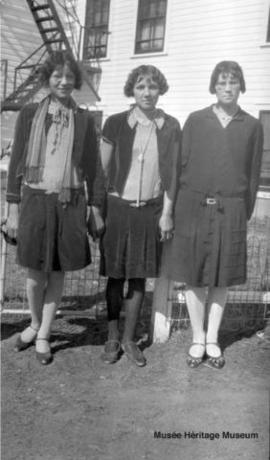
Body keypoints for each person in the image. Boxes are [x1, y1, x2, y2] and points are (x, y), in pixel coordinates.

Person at [167, 61, 263, 369]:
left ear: (240, 86)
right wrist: (174, 209)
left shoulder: (251, 125)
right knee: (196, 275)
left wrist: (242, 210)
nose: (227, 88)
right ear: (214, 86)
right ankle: (197, 337)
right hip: (194, 207)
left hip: (232, 209)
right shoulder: (196, 120)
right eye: (221, 83)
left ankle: (213, 339)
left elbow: (252, 173)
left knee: (222, 277)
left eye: (233, 82)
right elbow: (179, 166)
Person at [5, 50, 98, 365]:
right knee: (34, 273)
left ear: (76, 81)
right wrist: (12, 208)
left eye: (70, 76)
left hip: (69, 201)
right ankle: (33, 322)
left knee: (57, 271)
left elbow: (93, 167)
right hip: (35, 199)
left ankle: (43, 334)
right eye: (57, 75)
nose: (64, 81)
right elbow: (17, 160)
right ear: (47, 78)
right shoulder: (30, 113)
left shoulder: (85, 119)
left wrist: (95, 207)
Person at [90, 65, 181, 366]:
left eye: (152, 87)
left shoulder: (169, 126)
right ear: (132, 90)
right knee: (116, 277)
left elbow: (171, 176)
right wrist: (96, 210)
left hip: (150, 212)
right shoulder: (116, 123)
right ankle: (112, 338)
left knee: (139, 277)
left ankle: (130, 340)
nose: (147, 92)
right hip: (117, 209)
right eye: (140, 86)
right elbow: (101, 173)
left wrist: (166, 214)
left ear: (160, 90)